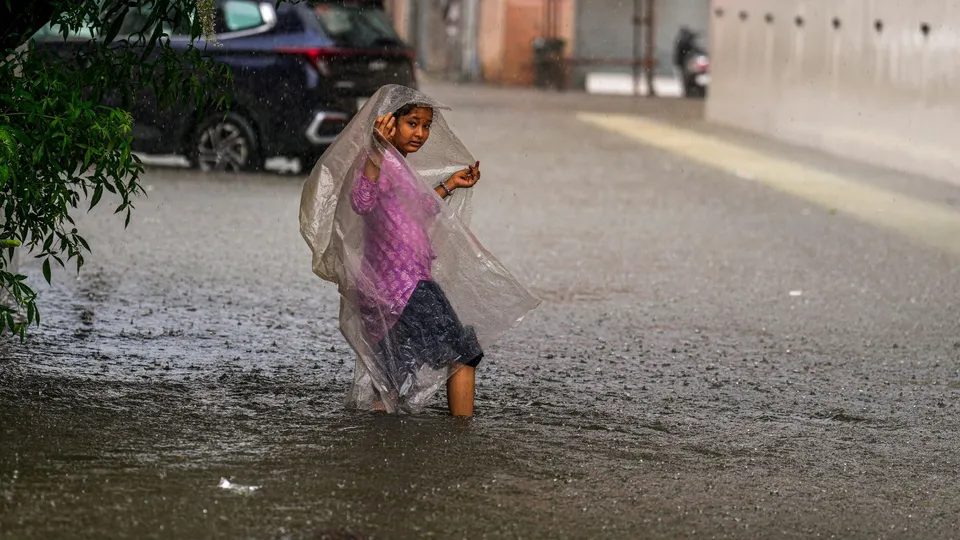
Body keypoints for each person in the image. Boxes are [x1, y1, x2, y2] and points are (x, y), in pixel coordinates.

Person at [299, 85, 539, 417]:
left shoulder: (399, 166)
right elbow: (362, 201)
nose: (421, 133)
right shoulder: (376, 161)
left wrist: (450, 184)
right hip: (404, 288)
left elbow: (416, 211)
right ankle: (461, 440)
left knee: (393, 380)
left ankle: (379, 450)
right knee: (464, 353)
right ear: (389, 123)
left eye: (426, 126)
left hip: (386, 290)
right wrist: (375, 152)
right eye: (413, 123)